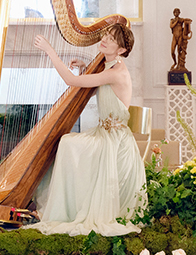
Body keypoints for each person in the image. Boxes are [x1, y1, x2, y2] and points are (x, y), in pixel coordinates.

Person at [26, 22, 144, 236]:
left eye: (112, 39)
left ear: (122, 50)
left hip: (114, 142)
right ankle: (69, 205)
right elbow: (96, 83)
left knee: (68, 143)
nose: (105, 39)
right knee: (67, 143)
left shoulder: (117, 72)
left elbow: (71, 80)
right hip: (104, 134)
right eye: (106, 35)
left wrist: (50, 51)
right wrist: (85, 66)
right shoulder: (108, 67)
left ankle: (66, 208)